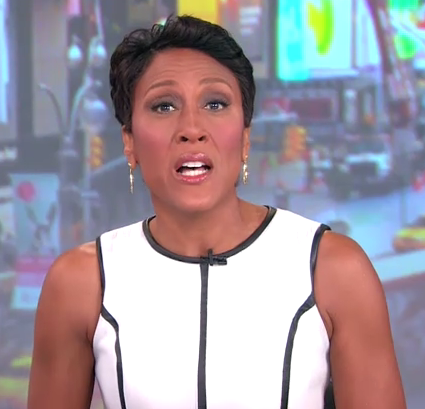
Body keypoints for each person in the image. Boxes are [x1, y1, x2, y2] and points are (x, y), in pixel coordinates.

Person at [28, 15, 406, 409]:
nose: (191, 128)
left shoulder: (335, 271)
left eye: (215, 104)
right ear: (130, 142)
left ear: (245, 138)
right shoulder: (81, 283)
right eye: (163, 106)